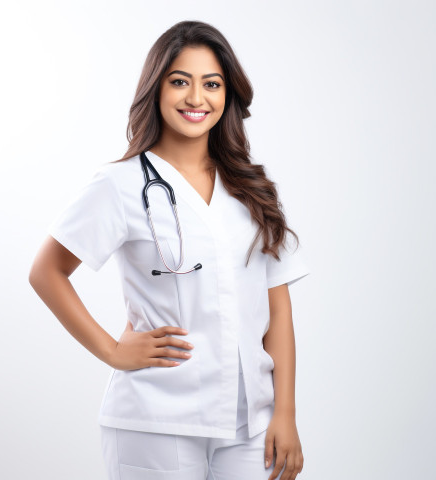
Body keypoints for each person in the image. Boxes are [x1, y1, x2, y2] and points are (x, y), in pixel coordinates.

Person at [29, 20, 310, 480]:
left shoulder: (252, 190)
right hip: (155, 419)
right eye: (180, 81)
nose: (196, 98)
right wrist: (112, 350)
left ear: (228, 95)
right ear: (155, 90)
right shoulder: (120, 184)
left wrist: (285, 412)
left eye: (212, 84)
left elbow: (277, 308)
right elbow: (46, 271)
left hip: (250, 422)